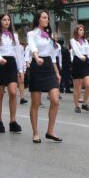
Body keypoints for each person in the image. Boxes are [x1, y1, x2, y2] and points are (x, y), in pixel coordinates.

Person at [26, 11, 63, 143]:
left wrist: (57, 72)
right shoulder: (31, 34)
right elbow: (32, 47)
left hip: (48, 66)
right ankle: (35, 133)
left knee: (55, 100)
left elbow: (53, 55)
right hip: (37, 66)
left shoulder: (49, 35)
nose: (47, 19)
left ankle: (50, 131)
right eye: (44, 17)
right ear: (38, 19)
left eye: (47, 17)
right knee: (35, 103)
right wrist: (36, 57)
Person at [0, 14, 23, 133]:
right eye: (4, 20)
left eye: (8, 20)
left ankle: (12, 121)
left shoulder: (14, 36)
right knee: (0, 95)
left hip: (11, 63)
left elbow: (18, 52)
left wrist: (21, 69)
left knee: (13, 92)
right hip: (0, 64)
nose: (7, 22)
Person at [70, 24, 89, 113]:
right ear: (76, 31)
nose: (82, 31)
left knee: (88, 84)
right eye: (80, 30)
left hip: (84, 63)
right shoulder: (73, 40)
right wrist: (81, 56)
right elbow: (76, 50)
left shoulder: (85, 41)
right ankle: (77, 106)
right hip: (77, 62)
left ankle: (84, 104)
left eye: (83, 30)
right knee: (77, 86)